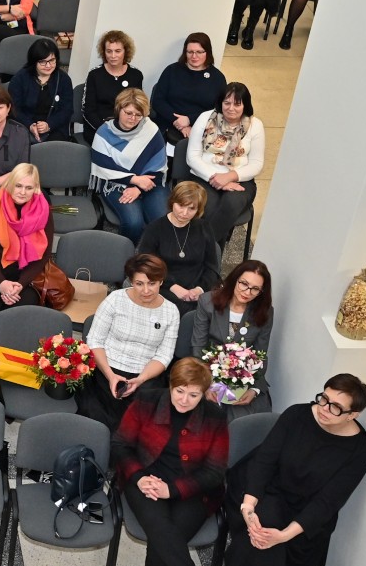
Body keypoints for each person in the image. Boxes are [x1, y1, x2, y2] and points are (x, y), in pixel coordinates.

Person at [204, 375, 366, 566]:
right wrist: (248, 505)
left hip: (305, 517)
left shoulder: (360, 453)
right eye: (324, 398)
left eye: (335, 407)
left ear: (353, 415)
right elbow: (265, 461)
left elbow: (327, 503)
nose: (324, 408)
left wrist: (283, 536)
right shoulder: (297, 415)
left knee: (259, 541)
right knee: (266, 520)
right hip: (262, 492)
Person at [113, 357, 230, 566]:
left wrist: (173, 490)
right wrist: (140, 478)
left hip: (193, 489)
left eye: (194, 395)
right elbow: (119, 445)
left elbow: (215, 472)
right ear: (170, 385)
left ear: (204, 394)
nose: (185, 400)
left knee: (166, 534)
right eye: (180, 391)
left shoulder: (214, 417)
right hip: (145, 479)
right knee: (161, 526)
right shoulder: (147, 401)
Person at [82, 253, 181, 430]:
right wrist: (110, 375)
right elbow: (95, 341)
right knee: (98, 416)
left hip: (146, 375)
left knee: (140, 426)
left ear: (161, 281)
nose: (146, 290)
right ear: (131, 282)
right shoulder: (115, 299)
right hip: (106, 369)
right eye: (139, 284)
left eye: (152, 283)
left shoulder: (171, 311)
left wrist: (141, 379)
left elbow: (164, 355)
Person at [0, 162, 54, 328]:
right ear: (10, 183)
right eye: (18, 186)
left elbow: (44, 255)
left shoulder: (44, 212)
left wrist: (21, 284)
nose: (22, 192)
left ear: (36, 188)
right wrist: (1, 283)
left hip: (23, 275)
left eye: (29, 188)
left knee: (21, 315)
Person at [190, 260, 275, 419]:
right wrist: (205, 383)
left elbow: (260, 354)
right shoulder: (207, 302)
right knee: (210, 415)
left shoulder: (265, 312)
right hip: (207, 371)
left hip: (244, 376)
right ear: (235, 279)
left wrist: (254, 389)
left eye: (255, 288)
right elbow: (198, 347)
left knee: (249, 417)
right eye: (244, 284)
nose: (247, 292)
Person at [186, 81, 265, 248]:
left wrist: (230, 177)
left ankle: (198, 249)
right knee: (210, 207)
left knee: (230, 205)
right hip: (204, 176)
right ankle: (212, 255)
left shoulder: (255, 125)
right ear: (220, 102)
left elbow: (256, 164)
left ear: (245, 105)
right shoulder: (206, 118)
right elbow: (192, 157)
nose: (231, 108)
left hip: (240, 180)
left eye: (237, 104)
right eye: (227, 103)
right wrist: (215, 178)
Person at [91, 88, 169, 242]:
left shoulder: (150, 129)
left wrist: (139, 188)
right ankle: (127, 251)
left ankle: (151, 252)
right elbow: (102, 165)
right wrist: (134, 180)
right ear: (119, 109)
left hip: (150, 181)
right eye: (128, 113)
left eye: (138, 115)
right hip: (115, 184)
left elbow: (158, 163)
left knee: (162, 219)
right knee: (134, 223)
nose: (133, 119)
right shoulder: (104, 132)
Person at [137, 181, 220, 316]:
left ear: (198, 210)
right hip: (164, 284)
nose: (184, 213)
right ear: (172, 202)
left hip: (197, 285)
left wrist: (199, 289)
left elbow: (212, 267)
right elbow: (146, 265)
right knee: (182, 311)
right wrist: (173, 287)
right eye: (181, 205)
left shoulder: (204, 228)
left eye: (191, 209)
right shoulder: (154, 229)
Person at [149, 33, 227, 158]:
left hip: (202, 127)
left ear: (207, 52)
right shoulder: (172, 71)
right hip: (168, 123)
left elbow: (218, 109)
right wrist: (179, 123)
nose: (194, 56)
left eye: (199, 52)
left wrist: (189, 120)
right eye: (190, 52)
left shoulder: (217, 78)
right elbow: (158, 101)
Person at [8, 37, 75, 144]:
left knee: (55, 148)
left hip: (55, 128)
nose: (48, 66)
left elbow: (67, 110)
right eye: (43, 62)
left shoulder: (64, 79)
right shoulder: (20, 79)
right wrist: (30, 125)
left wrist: (49, 125)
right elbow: (14, 108)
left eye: (52, 60)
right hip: (24, 126)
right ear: (34, 62)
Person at [81, 30, 143, 139]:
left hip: (126, 129)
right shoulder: (94, 75)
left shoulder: (135, 75)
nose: (113, 56)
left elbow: (137, 107)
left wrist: (125, 129)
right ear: (104, 52)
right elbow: (88, 111)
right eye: (109, 51)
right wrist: (106, 130)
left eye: (118, 51)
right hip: (99, 129)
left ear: (125, 51)